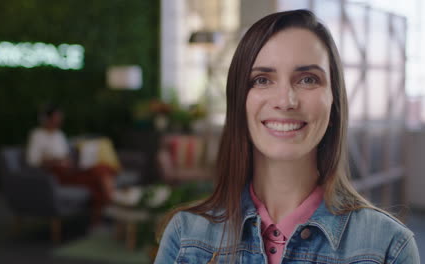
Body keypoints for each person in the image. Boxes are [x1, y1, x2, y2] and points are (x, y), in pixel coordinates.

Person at [155, 9, 419, 264]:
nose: (285, 101)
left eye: (307, 79)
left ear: (333, 102)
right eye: (261, 80)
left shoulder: (388, 247)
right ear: (239, 101)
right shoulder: (185, 236)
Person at [26, 104, 116, 227]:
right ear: (47, 119)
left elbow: (67, 156)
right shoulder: (37, 135)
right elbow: (32, 160)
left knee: (103, 168)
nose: (59, 121)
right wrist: (53, 160)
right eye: (56, 118)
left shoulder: (59, 135)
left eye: (60, 118)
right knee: (100, 174)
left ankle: (101, 216)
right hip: (57, 174)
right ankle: (107, 211)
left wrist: (74, 160)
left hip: (70, 169)